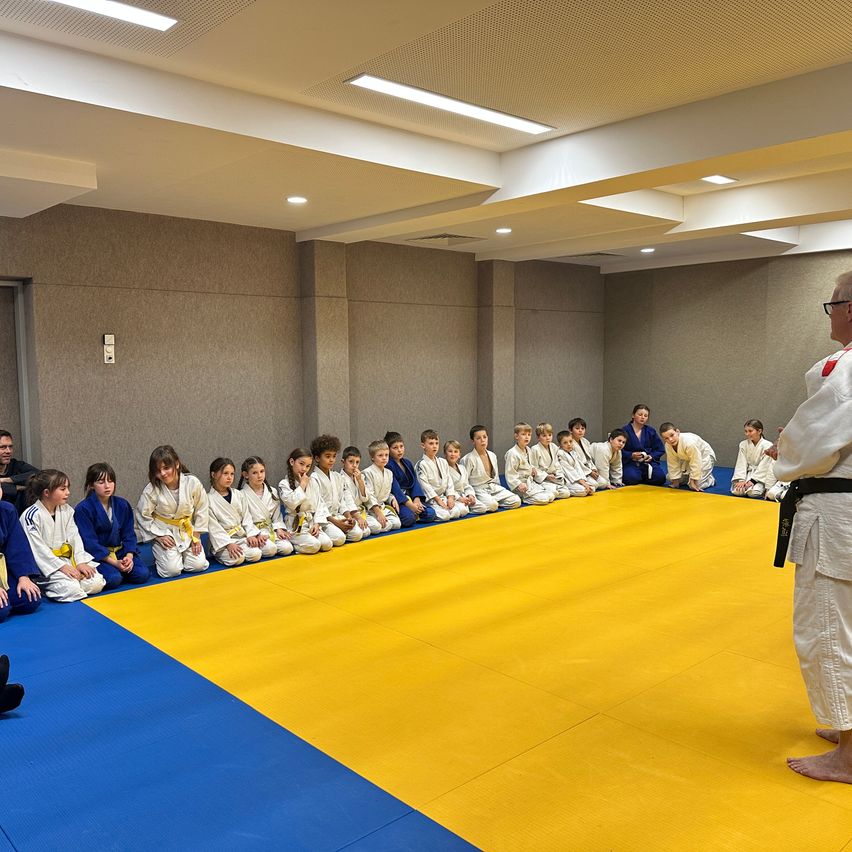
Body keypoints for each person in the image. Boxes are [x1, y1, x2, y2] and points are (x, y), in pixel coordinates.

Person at [772, 271, 852, 783]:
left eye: (834, 303)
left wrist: (786, 447)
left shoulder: (844, 368)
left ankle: (849, 752)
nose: (831, 312)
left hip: (837, 516)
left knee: (829, 625)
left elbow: (808, 445)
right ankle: (848, 728)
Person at [21, 470, 106, 601]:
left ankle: (72, 582)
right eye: (63, 489)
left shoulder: (67, 510)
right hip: (46, 566)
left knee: (96, 583)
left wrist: (80, 562)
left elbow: (75, 538)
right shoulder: (31, 516)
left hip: (68, 559)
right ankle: (45, 585)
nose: (68, 492)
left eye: (67, 488)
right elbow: (37, 549)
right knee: (72, 590)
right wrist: (61, 567)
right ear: (47, 493)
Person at [135, 445, 209, 578]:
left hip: (187, 531)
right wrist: (158, 536)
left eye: (166, 468)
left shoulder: (192, 483)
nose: (162, 474)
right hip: (165, 532)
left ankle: (179, 557)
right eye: (158, 470)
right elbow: (142, 515)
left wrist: (196, 535)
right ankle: (162, 557)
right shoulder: (152, 489)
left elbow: (202, 508)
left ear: (177, 464)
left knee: (198, 565)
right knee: (171, 571)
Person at [75, 463, 150, 587]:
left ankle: (122, 568)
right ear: (91, 485)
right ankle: (117, 571)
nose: (107, 486)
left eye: (110, 481)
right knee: (113, 579)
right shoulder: (83, 509)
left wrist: (129, 556)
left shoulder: (122, 504)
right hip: (99, 556)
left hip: (120, 552)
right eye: (101, 482)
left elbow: (129, 534)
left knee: (142, 574)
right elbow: (89, 542)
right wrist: (114, 563)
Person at [206, 458, 263, 566]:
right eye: (225, 473)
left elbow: (246, 517)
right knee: (238, 558)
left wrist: (251, 534)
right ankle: (219, 555)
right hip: (223, 541)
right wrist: (228, 544)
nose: (229, 477)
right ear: (213, 474)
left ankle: (240, 548)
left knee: (256, 554)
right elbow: (213, 527)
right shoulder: (208, 499)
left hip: (241, 536)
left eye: (232, 474)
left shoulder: (238, 494)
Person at [278, 448, 333, 554]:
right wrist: (302, 485)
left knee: (327, 544)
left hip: (310, 522)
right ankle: (295, 546)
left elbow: (319, 504)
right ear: (292, 462)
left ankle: (309, 538)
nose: (304, 469)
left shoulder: (312, 482)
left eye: (308, 466)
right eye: (301, 464)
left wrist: (317, 524)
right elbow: (292, 503)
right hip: (295, 525)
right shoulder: (284, 484)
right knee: (315, 546)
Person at [310, 435, 362, 544]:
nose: (332, 460)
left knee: (358, 534)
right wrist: (337, 523)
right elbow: (319, 506)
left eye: (334, 456)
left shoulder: (337, 476)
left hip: (339, 516)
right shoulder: (314, 478)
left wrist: (348, 517)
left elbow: (342, 500)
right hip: (324, 520)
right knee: (339, 539)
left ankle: (341, 529)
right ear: (317, 458)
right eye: (327, 456)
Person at [239, 456, 294, 557]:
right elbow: (245, 519)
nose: (259, 475)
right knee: (270, 550)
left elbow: (277, 516)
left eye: (262, 471)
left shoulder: (272, 491)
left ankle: (271, 541)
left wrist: (279, 529)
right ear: (246, 475)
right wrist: (255, 534)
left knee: (288, 548)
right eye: (254, 473)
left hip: (271, 529)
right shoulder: (241, 495)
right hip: (256, 532)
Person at [460, 425, 521, 511]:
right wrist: (469, 494)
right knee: (492, 506)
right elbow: (464, 482)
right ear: (473, 441)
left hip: (493, 487)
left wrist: (499, 489)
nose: (482, 440)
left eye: (484, 437)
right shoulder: (468, 459)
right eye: (478, 438)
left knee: (516, 501)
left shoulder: (492, 455)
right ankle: (487, 502)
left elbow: (495, 478)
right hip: (478, 490)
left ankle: (493, 501)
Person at [384, 431, 437, 527]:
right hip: (400, 501)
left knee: (431, 513)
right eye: (395, 448)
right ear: (388, 450)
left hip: (411, 498)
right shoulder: (388, 466)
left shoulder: (407, 463)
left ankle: (415, 513)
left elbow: (415, 483)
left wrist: (416, 500)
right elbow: (395, 489)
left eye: (401, 446)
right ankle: (412, 514)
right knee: (409, 519)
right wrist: (410, 505)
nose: (399, 450)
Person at [0, 500, 41, 622]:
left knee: (29, 599)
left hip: (3, 568)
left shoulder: (7, 510)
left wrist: (23, 576)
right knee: (2, 610)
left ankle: (7, 601)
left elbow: (17, 545)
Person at [415, 430, 465, 521]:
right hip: (431, 500)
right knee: (445, 516)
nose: (434, 446)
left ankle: (446, 507)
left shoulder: (443, 461)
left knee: (459, 511)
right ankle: (428, 513)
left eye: (436, 443)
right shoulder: (421, 464)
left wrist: (450, 497)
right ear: (423, 445)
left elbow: (449, 482)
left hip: (443, 497)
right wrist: (438, 501)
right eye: (431, 443)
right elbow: (425, 486)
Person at [504, 422, 554, 506]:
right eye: (523, 434)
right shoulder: (512, 453)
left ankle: (531, 494)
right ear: (516, 436)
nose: (527, 437)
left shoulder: (528, 449)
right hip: (520, 486)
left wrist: (532, 468)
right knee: (544, 500)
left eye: (529, 434)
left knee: (551, 495)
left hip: (530, 482)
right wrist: (518, 484)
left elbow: (530, 464)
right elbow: (510, 473)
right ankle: (522, 497)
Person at [659, 423, 716, 491]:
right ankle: (689, 477)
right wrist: (675, 481)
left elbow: (696, 461)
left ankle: (710, 480)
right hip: (688, 460)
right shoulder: (668, 445)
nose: (670, 439)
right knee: (670, 477)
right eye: (666, 438)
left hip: (704, 457)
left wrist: (693, 480)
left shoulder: (689, 442)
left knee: (697, 485)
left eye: (672, 435)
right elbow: (672, 463)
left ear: (677, 432)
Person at [361, 440, 403, 533]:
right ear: (372, 457)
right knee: (379, 527)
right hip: (371, 509)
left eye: (386, 455)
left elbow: (386, 492)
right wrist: (378, 512)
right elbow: (369, 495)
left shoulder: (389, 473)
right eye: (380, 455)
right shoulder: (367, 473)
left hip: (382, 507)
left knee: (397, 524)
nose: (384, 458)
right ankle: (372, 521)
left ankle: (380, 522)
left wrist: (392, 498)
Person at [621, 405, 666, 486]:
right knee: (631, 478)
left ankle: (642, 476)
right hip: (631, 462)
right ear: (633, 415)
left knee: (660, 478)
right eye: (640, 414)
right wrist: (631, 455)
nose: (643, 417)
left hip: (647, 462)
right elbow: (617, 449)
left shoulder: (650, 431)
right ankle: (640, 476)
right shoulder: (624, 431)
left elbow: (660, 449)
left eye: (645, 416)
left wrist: (651, 456)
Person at [731, 420, 775, 498]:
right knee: (738, 492)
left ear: (759, 431)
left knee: (753, 493)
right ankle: (746, 484)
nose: (747, 434)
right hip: (747, 474)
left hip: (760, 477)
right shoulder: (743, 444)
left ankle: (761, 488)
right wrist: (741, 480)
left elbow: (764, 466)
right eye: (746, 431)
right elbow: (741, 463)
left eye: (750, 431)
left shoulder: (768, 445)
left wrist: (753, 481)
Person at [529, 423, 572, 499]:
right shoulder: (535, 449)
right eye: (544, 436)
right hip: (543, 480)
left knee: (566, 493)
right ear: (538, 437)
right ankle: (544, 491)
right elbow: (534, 468)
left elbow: (557, 464)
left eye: (549, 435)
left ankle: (550, 491)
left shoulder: (554, 447)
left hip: (554, 478)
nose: (548, 438)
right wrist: (546, 476)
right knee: (554, 492)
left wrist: (558, 475)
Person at [339, 446, 374, 538]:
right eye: (351, 462)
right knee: (364, 532)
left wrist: (360, 481)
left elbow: (365, 498)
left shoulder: (360, 476)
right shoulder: (340, 478)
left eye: (357, 462)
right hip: (350, 513)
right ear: (343, 462)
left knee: (377, 527)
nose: (354, 465)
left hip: (361, 510)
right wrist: (358, 517)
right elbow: (348, 501)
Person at [0, 430, 37, 512]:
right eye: (3, 447)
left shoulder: (16, 465)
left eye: (10, 447)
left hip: (20, 517)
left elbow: (38, 474)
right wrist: (19, 487)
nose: (8, 451)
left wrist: (7, 479)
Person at [568, 418, 608, 491]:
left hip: (588, 468)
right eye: (577, 428)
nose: (580, 430)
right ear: (571, 430)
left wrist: (593, 469)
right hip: (579, 470)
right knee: (595, 485)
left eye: (582, 428)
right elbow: (576, 462)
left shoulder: (585, 441)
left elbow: (589, 458)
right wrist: (589, 472)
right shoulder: (569, 443)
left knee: (604, 483)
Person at [443, 440, 481, 514]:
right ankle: (463, 507)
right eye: (450, 451)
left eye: (456, 451)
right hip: (454, 497)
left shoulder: (462, 468)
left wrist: (470, 495)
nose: (453, 454)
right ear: (445, 454)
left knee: (482, 508)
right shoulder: (444, 469)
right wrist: (460, 498)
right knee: (463, 511)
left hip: (464, 495)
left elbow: (466, 485)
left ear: (459, 454)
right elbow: (446, 488)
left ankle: (466, 504)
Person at [555, 431, 595, 496]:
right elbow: (570, 470)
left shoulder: (573, 452)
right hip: (568, 479)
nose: (569, 444)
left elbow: (578, 468)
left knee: (592, 488)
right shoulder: (560, 454)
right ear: (560, 444)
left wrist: (583, 481)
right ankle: (569, 490)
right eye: (565, 443)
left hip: (577, 478)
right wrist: (582, 483)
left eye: (570, 441)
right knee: (584, 491)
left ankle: (581, 487)